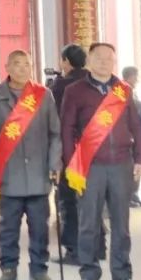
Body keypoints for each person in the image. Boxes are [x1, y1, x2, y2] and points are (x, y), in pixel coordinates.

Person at [61, 43, 141, 280]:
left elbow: (136, 126)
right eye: (99, 57)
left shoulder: (123, 91)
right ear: (89, 60)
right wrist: (70, 163)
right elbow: (67, 129)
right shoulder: (75, 90)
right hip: (89, 166)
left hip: (121, 164)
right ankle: (89, 272)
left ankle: (122, 274)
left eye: (109, 58)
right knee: (89, 222)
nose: (104, 62)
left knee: (121, 223)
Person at [0, 49, 60, 280]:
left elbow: (55, 134)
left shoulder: (43, 95)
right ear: (7, 67)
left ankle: (39, 269)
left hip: (38, 173)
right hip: (9, 174)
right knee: (8, 227)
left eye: (26, 64)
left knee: (39, 227)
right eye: (17, 64)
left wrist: (54, 163)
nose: (22, 68)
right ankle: (8, 268)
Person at [51, 43, 87, 264]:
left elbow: (55, 119)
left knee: (68, 200)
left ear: (66, 61)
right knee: (90, 199)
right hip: (92, 150)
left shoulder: (62, 85)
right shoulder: (93, 81)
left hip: (68, 150)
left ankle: (74, 249)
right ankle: (97, 245)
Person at [122, 66, 141, 208]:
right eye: (135, 76)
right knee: (132, 167)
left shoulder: (132, 90)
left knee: (137, 166)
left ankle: (135, 195)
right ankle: (130, 196)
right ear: (129, 76)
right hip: (129, 135)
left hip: (135, 133)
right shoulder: (122, 90)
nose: (137, 80)